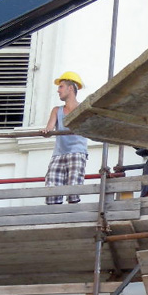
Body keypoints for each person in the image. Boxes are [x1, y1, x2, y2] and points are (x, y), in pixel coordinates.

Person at [42, 71, 88, 204]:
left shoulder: (82, 108)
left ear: (70, 88)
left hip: (77, 152)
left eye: (61, 86)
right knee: (52, 187)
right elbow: (49, 128)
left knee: (73, 188)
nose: (58, 90)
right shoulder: (57, 110)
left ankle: (72, 216)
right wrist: (46, 131)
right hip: (59, 154)